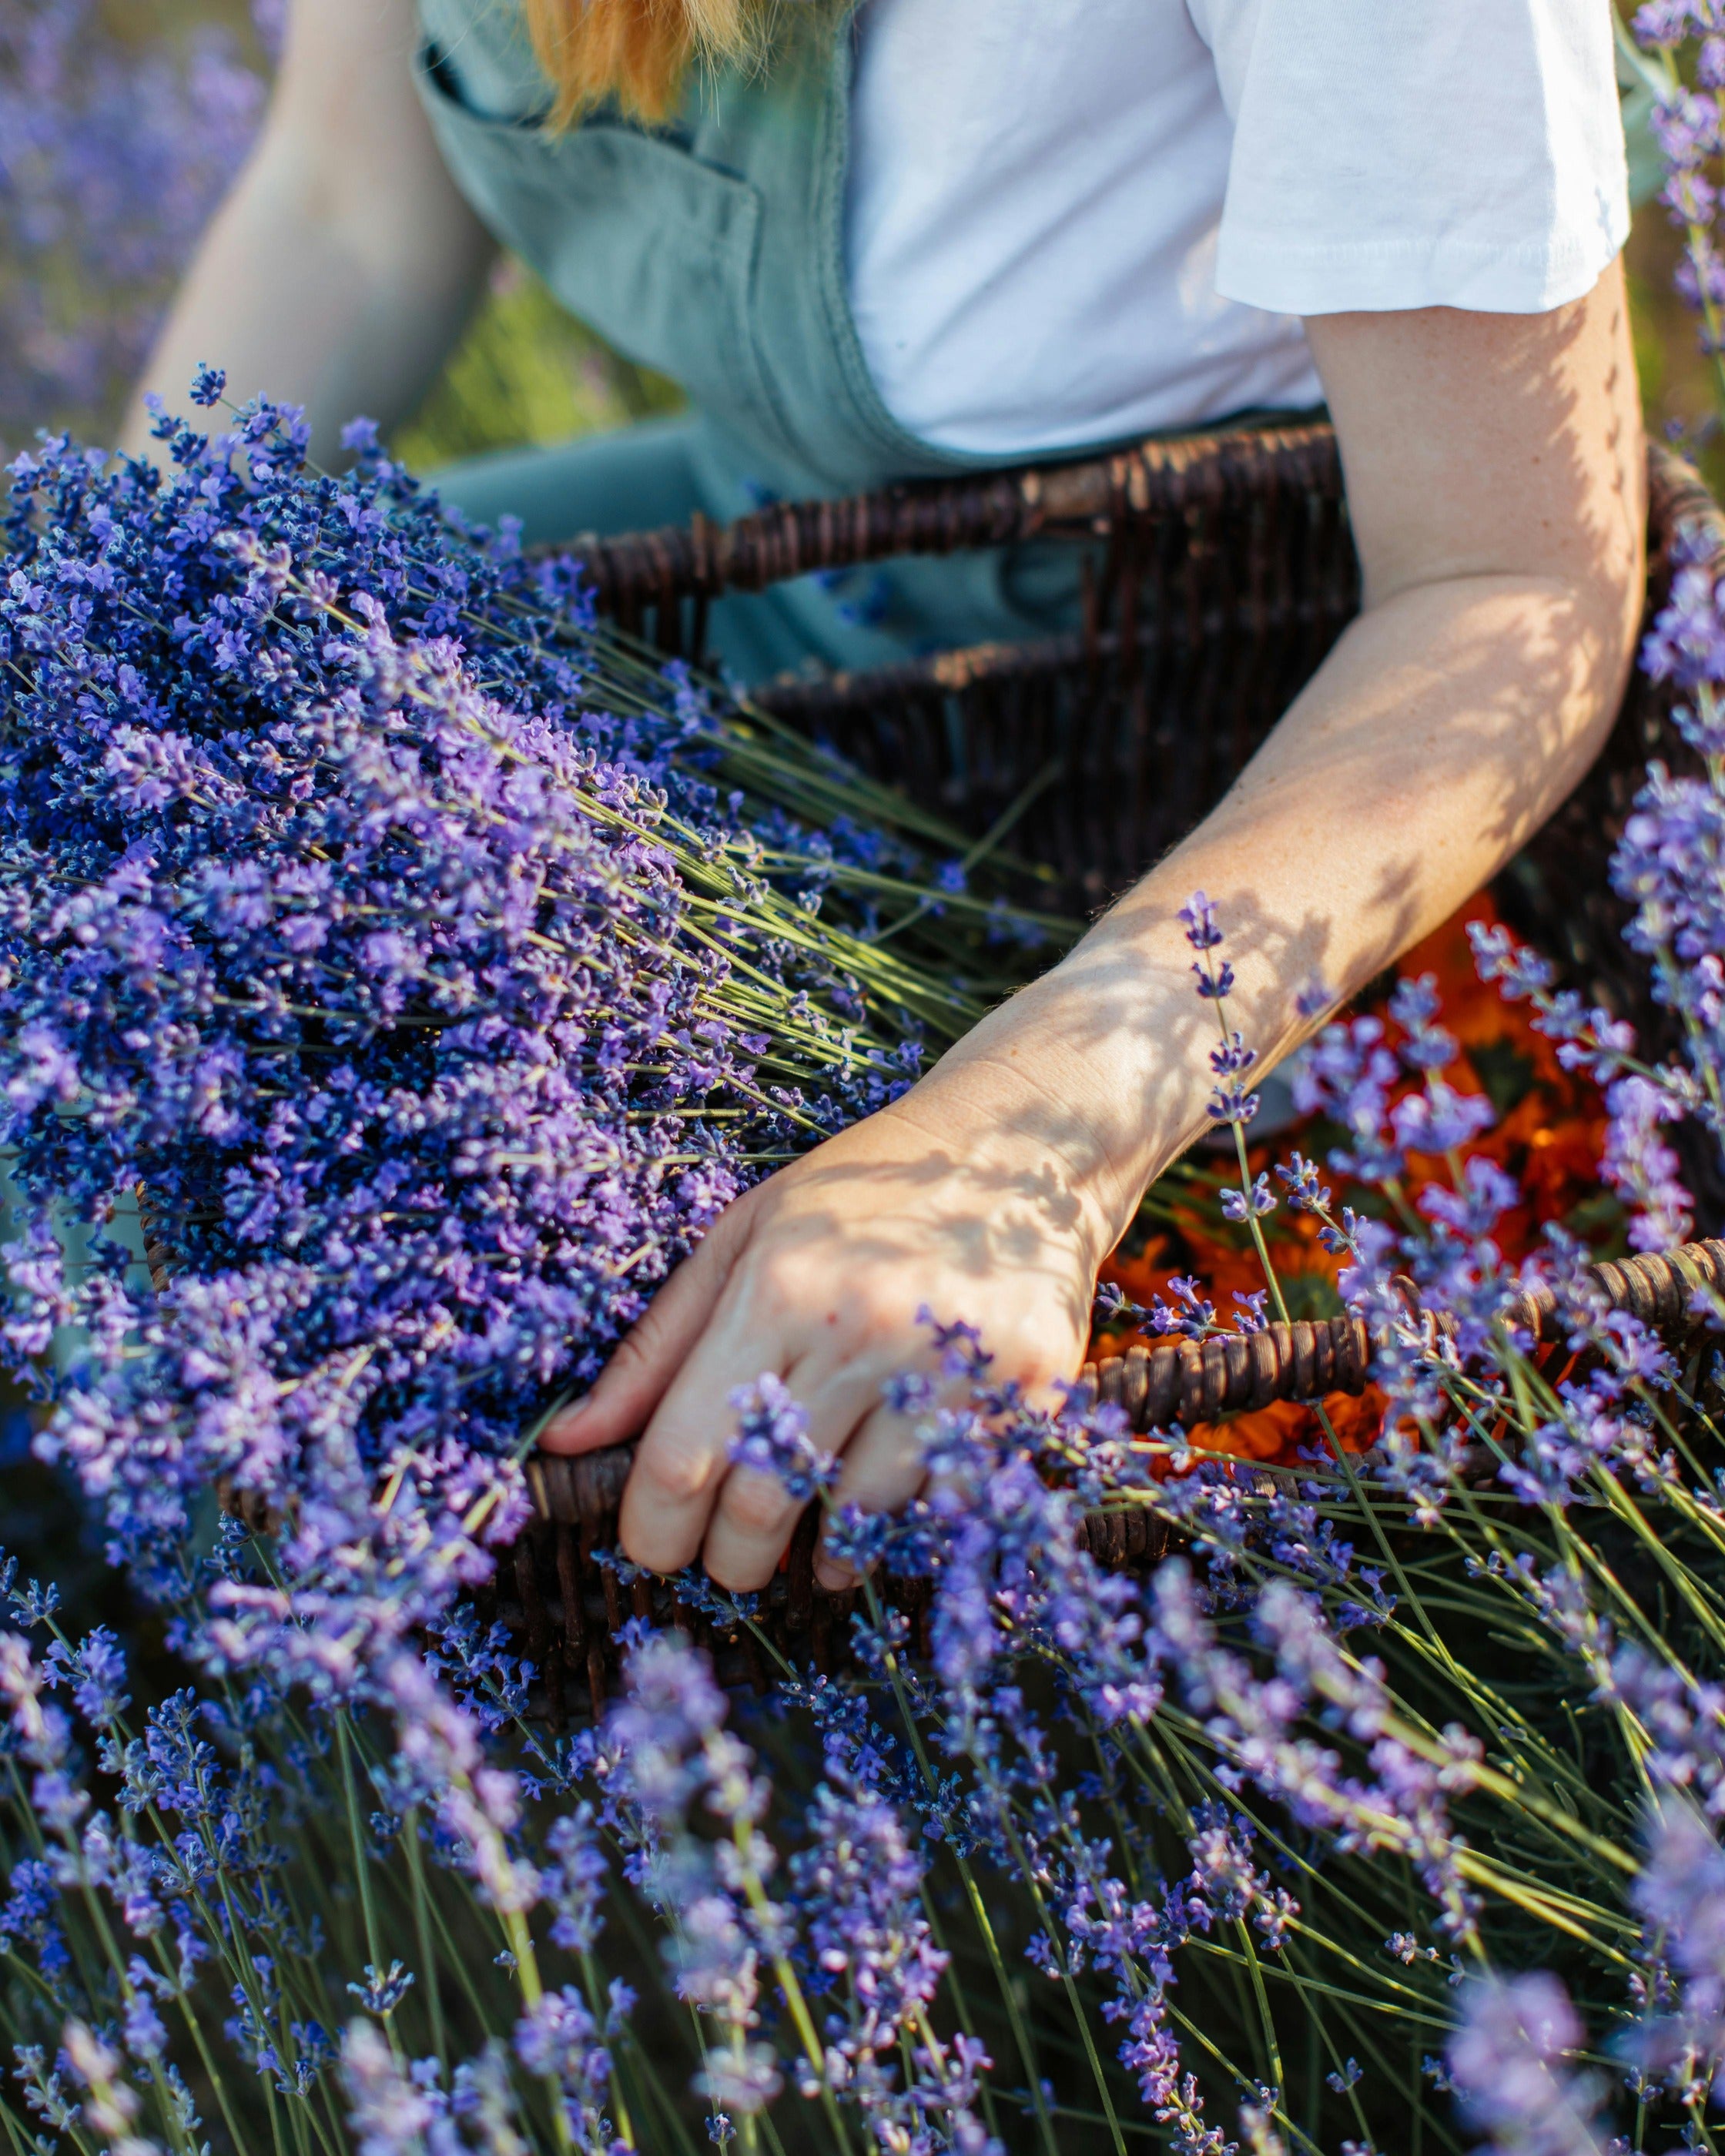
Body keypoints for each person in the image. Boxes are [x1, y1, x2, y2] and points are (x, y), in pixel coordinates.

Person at [127, 0, 1646, 1597]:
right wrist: (102, 639)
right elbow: (343, 196)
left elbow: (1509, 585)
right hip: (766, 568)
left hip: (1228, 800)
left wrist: (1016, 1154)